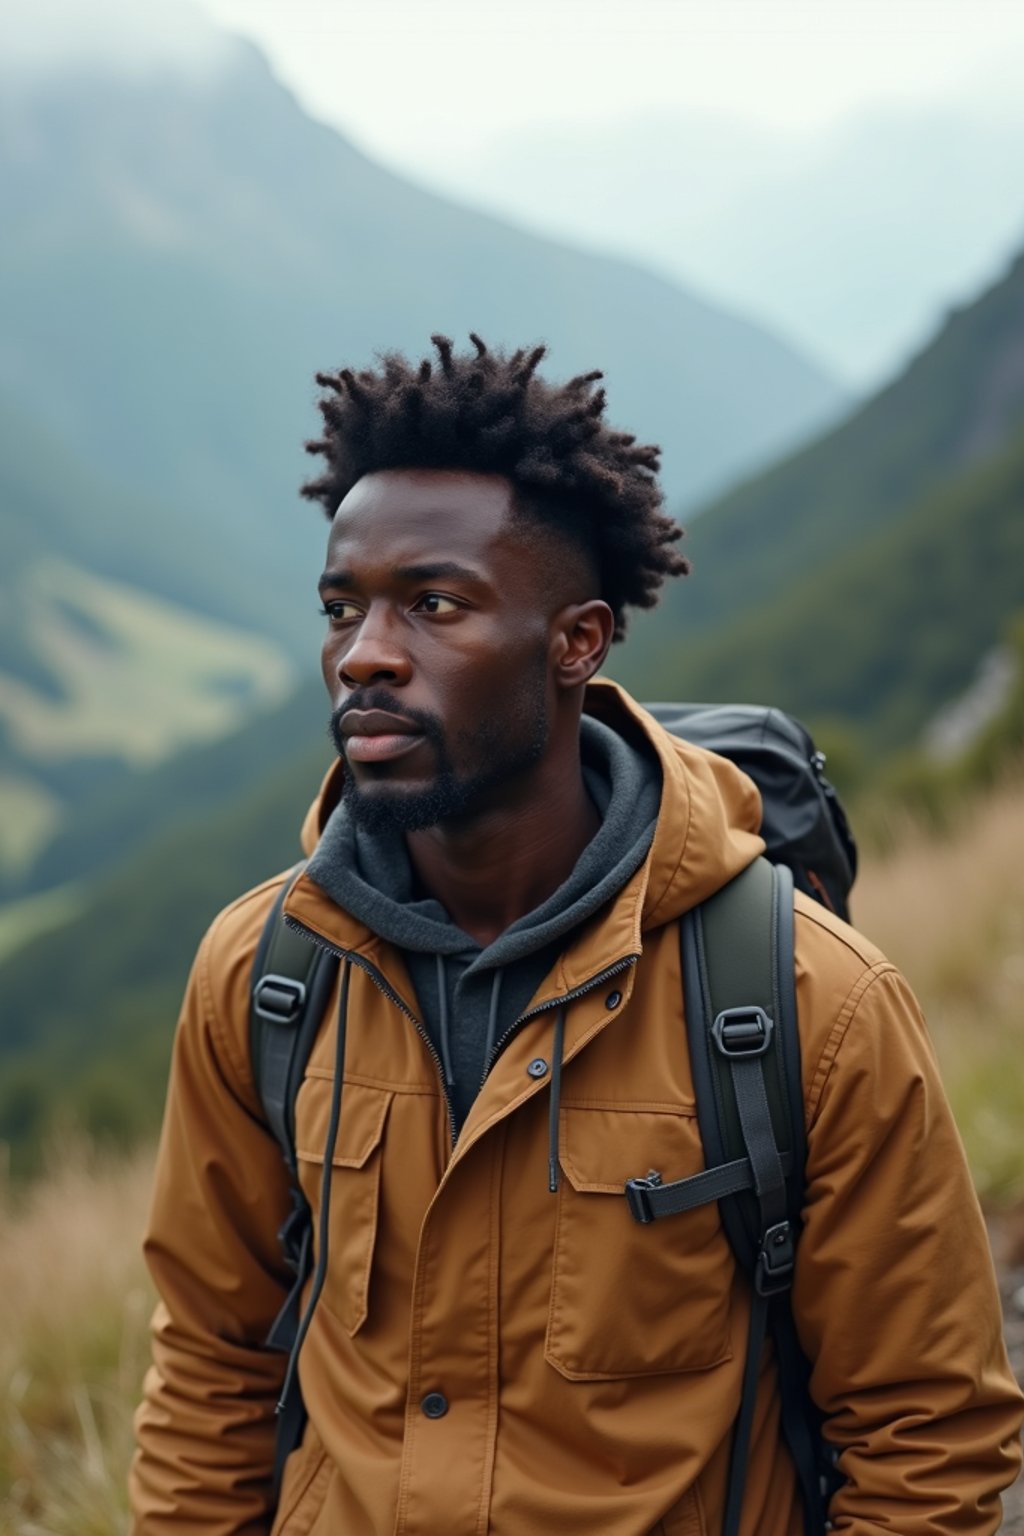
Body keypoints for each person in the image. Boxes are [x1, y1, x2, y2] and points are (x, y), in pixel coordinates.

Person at [131, 335, 1023, 1534]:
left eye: (433, 604)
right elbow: (211, 1370)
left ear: (577, 643)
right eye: (342, 607)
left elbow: (927, 1435)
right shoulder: (265, 976)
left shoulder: (808, 1001)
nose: (363, 655)